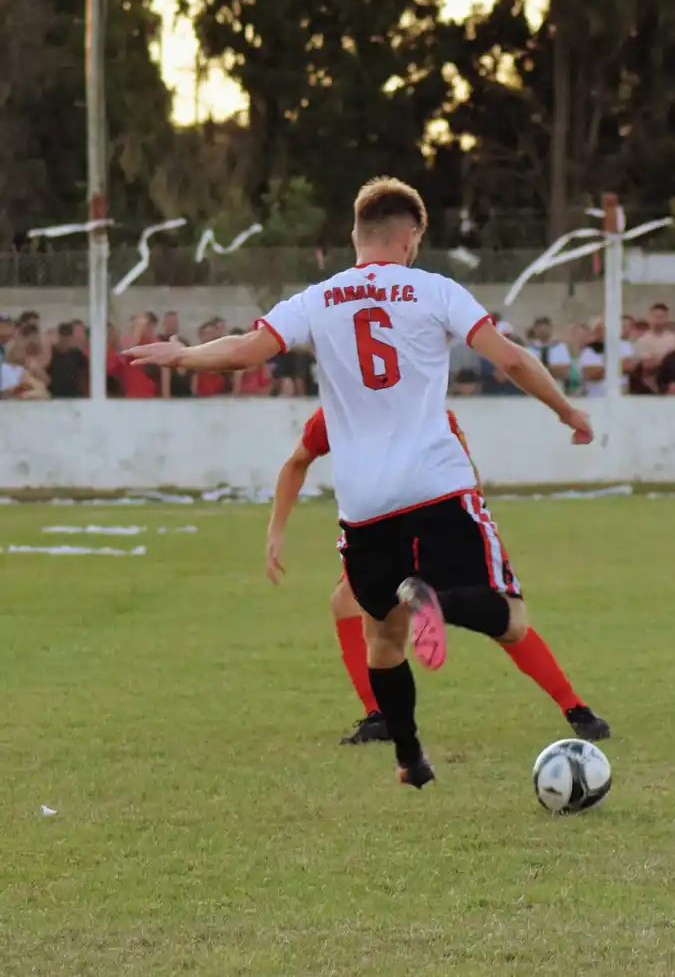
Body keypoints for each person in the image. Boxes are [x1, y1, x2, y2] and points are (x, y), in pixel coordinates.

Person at [126, 175, 599, 789]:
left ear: (355, 234)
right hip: (436, 485)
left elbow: (246, 351)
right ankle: (439, 602)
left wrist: (183, 354)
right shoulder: (436, 290)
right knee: (507, 614)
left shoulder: (317, 300)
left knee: (383, 641)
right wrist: (566, 411)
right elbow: (507, 358)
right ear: (412, 238)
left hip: (365, 506)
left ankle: (411, 760)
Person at [267, 405, 608, 746]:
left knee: (361, 611)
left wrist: (276, 531)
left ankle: (382, 712)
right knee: (504, 620)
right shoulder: (421, 402)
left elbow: (297, 461)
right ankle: (575, 708)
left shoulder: (338, 411)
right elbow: (466, 466)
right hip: (426, 523)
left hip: (383, 527)